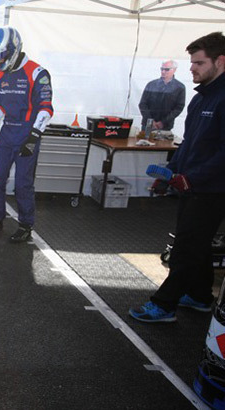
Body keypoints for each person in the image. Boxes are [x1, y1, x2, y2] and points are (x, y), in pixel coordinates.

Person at [129, 32, 225, 323]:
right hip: (192, 185)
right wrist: (171, 175)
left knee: (185, 246)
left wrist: (192, 179)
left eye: (198, 62)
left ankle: (164, 304)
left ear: (220, 61)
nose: (192, 68)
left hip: (212, 189)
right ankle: (199, 296)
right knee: (198, 242)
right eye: (191, 62)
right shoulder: (201, 98)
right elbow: (190, 143)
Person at [0, 27, 53, 243]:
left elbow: (46, 109)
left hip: (27, 134)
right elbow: (0, 104)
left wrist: (34, 136)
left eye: (0, 56)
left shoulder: (38, 73)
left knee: (22, 184)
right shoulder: (1, 74)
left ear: (13, 49)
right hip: (7, 133)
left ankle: (26, 224)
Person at [138, 60, 186, 131]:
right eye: (162, 69)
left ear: (174, 70)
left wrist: (163, 122)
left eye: (166, 69)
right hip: (148, 124)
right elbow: (142, 104)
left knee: (163, 142)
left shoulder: (179, 87)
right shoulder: (151, 84)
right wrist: (150, 120)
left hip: (165, 126)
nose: (163, 71)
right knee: (144, 141)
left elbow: (179, 108)